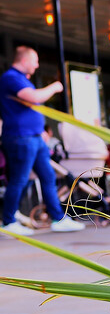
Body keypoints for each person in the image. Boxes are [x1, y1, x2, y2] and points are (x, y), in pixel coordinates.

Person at [0, 46, 85, 235]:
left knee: (48, 176)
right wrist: (55, 86)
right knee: (19, 179)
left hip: (35, 137)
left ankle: (58, 218)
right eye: (35, 60)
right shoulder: (11, 78)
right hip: (21, 137)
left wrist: (40, 131)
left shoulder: (21, 79)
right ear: (24, 60)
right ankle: (8, 221)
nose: (37, 65)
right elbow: (33, 98)